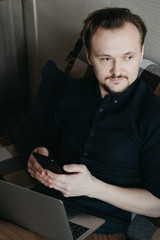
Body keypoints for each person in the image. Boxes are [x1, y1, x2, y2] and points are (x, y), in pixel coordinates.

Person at [14, 7, 160, 239]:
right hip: (45, 208)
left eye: (128, 57)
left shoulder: (152, 114)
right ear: (89, 56)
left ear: (141, 53)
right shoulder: (73, 90)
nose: (117, 70)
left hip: (101, 230)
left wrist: (93, 187)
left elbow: (157, 205)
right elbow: (47, 139)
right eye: (105, 58)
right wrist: (38, 153)